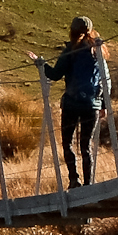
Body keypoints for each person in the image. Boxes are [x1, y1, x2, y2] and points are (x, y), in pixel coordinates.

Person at [33, 16, 109, 189]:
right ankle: (89, 184)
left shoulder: (70, 51)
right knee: (86, 145)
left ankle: (74, 180)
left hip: (72, 104)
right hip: (92, 105)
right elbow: (105, 80)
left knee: (68, 142)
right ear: (91, 30)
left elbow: (54, 75)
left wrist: (40, 62)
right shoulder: (98, 51)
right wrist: (104, 105)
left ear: (72, 31)